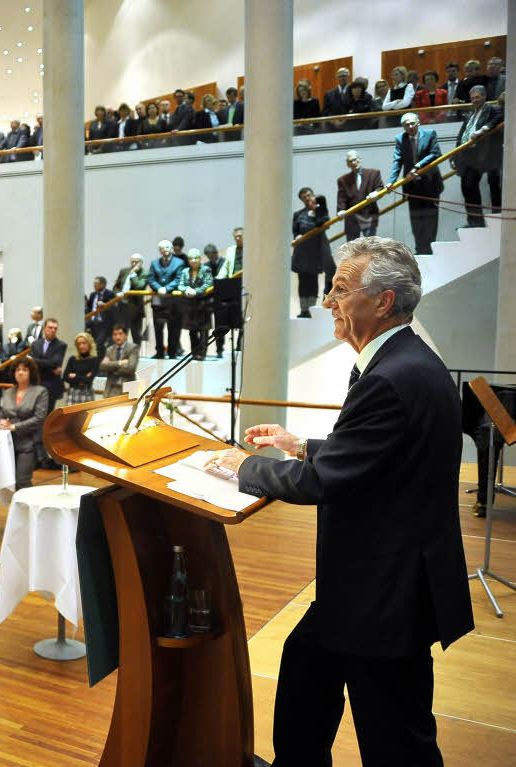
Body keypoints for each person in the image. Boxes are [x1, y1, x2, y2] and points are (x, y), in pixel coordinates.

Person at [208, 236, 473, 766]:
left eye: (340, 289)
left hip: (383, 594)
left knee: (396, 738)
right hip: (375, 581)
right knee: (306, 670)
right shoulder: (407, 361)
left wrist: (244, 467)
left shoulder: (393, 376)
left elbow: (321, 483)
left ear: (383, 302)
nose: (328, 301)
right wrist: (301, 445)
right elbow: (382, 452)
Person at [388, 113, 443, 254]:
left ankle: (430, 248)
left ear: (418, 123)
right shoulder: (401, 139)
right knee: (416, 220)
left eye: (412, 123)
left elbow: (436, 153)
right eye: (407, 125)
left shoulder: (430, 134)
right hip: (412, 186)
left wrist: (418, 165)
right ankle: (420, 249)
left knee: (431, 219)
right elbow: (397, 161)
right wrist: (391, 182)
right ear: (403, 127)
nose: (410, 127)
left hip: (430, 184)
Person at [452, 85, 503, 228]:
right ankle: (473, 220)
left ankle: (478, 221)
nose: (475, 100)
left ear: (484, 96)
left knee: (471, 185)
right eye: (472, 98)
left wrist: (483, 129)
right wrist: (454, 155)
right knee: (465, 187)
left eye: (477, 97)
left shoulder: (492, 109)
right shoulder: (471, 114)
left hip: (479, 156)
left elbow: (501, 116)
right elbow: (461, 136)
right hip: (465, 156)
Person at [0, 358, 49, 490]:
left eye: (24, 369)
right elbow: (3, 414)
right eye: (17, 369)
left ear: (30, 372)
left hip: (29, 442)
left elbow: (39, 418)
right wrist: (1, 422)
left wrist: (15, 427)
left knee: (22, 480)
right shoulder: (8, 392)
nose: (20, 372)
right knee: (10, 482)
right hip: (9, 443)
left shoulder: (40, 391)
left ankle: (32, 509)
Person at [292, 187, 334, 318]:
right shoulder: (298, 214)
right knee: (303, 281)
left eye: (308, 195)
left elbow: (325, 223)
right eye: (304, 197)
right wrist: (297, 236)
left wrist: (315, 209)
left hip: (316, 250)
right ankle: (303, 309)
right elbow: (295, 231)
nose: (307, 198)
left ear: (313, 195)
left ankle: (311, 308)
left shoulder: (321, 209)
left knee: (313, 280)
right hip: (302, 252)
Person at [335, 151, 385, 240]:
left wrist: (376, 193)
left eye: (354, 160)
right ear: (347, 164)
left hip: (369, 214)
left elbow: (380, 187)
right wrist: (341, 210)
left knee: (370, 244)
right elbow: (342, 197)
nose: (353, 163)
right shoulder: (343, 180)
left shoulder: (373, 173)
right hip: (351, 217)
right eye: (350, 161)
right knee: (352, 246)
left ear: (360, 159)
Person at [148, 240, 185, 357]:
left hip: (173, 301)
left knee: (172, 328)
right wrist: (158, 288)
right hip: (158, 300)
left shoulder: (179, 262)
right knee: (158, 328)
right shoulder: (154, 263)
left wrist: (167, 288)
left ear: (172, 249)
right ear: (159, 250)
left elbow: (179, 278)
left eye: (168, 247)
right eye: (163, 248)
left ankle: (172, 352)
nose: (165, 250)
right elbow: (151, 279)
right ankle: (159, 352)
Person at [177, 249, 214, 358]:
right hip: (190, 306)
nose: (193, 260)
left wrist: (195, 291)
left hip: (203, 305)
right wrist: (186, 289)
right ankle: (194, 353)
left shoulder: (206, 269)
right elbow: (180, 285)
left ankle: (202, 354)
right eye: (191, 258)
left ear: (200, 259)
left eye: (195, 258)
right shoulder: (185, 271)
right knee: (192, 331)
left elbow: (208, 284)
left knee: (203, 332)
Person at [28, 318, 66, 413]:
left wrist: (35, 361)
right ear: (44, 328)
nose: (53, 330)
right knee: (33, 413)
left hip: (51, 386)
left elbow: (54, 363)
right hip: (36, 383)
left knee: (48, 414)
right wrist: (49, 365)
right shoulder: (36, 344)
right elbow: (31, 365)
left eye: (55, 328)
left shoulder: (61, 345)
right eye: (50, 328)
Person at [98, 324, 138, 398]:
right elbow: (102, 366)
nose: (117, 337)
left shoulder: (133, 348)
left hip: (126, 389)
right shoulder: (109, 349)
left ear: (126, 335)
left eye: (120, 334)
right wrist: (120, 363)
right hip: (111, 389)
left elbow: (130, 368)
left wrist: (111, 368)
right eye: (115, 334)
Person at [62, 332, 99, 404]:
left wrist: (75, 376)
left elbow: (89, 379)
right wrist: (83, 377)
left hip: (87, 392)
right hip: (72, 393)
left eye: (84, 343)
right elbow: (65, 377)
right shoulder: (72, 359)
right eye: (78, 344)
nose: (81, 346)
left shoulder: (94, 360)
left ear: (89, 343)